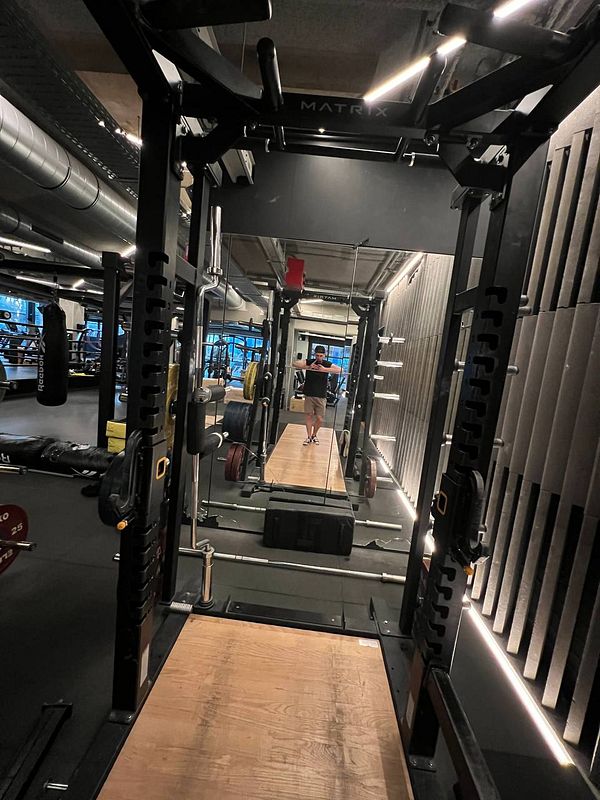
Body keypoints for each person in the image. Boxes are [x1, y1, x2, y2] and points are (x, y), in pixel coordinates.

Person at [292, 346, 342, 445]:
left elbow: (340, 370)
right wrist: (308, 367)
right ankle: (309, 436)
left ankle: (314, 435)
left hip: (321, 395)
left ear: (324, 355)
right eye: (317, 355)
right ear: (314, 355)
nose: (319, 357)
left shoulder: (326, 364)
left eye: (321, 355)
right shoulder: (310, 361)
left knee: (320, 418)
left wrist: (324, 369)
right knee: (309, 416)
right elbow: (294, 363)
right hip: (309, 394)